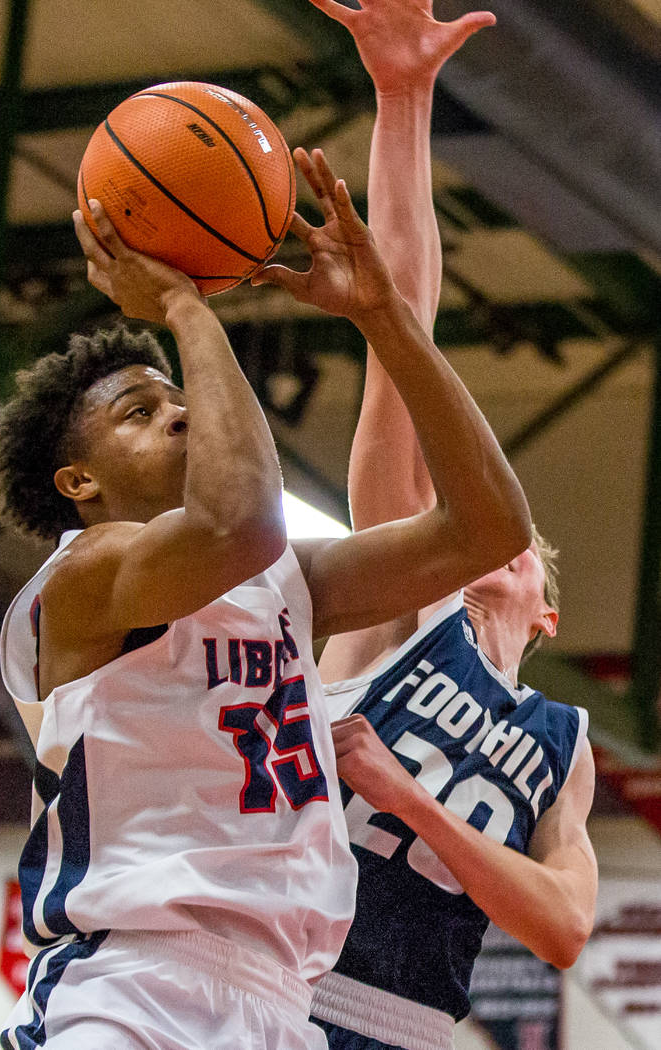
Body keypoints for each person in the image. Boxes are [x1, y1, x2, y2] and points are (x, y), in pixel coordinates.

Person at [0, 144, 531, 1050]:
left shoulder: (284, 581)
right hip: (130, 991)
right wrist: (180, 304)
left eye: (177, 396)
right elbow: (241, 521)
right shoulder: (81, 582)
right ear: (78, 480)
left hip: (282, 1006)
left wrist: (383, 316)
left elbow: (488, 530)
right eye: (140, 412)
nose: (184, 411)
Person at [284, 4, 598, 1050]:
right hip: (279, 989)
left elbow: (561, 925)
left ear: (544, 612)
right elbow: (396, 335)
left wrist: (402, 797)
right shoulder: (402, 615)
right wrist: (404, 99)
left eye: (514, 544)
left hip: (406, 1027)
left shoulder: (564, 747)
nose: (482, 537)